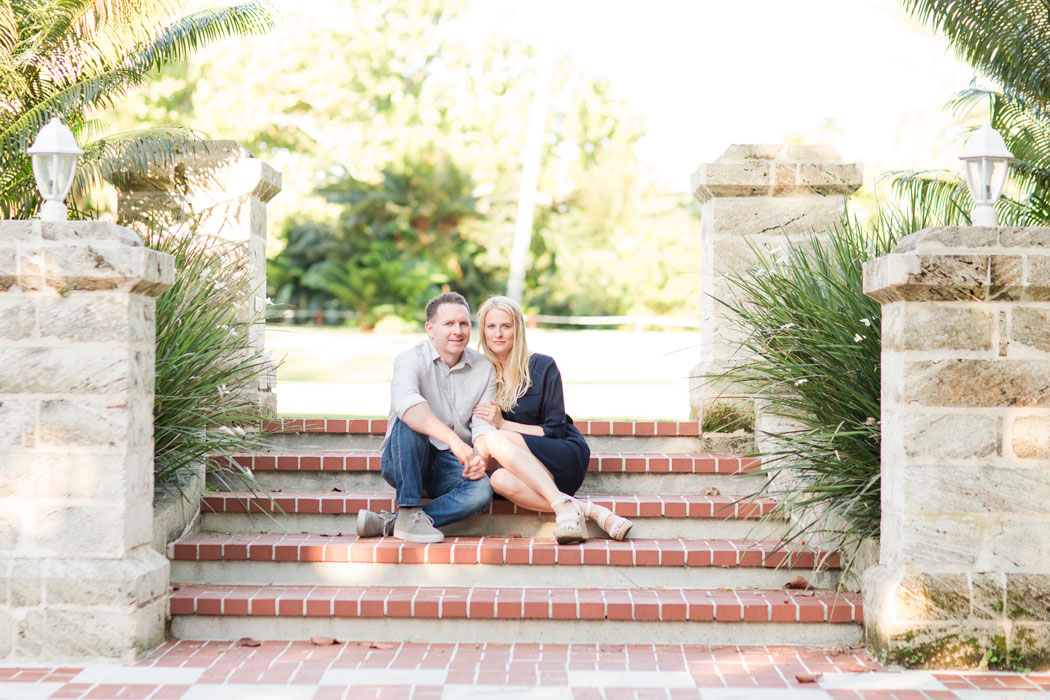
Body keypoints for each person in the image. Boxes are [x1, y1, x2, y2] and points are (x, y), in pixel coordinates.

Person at [472, 296, 633, 544]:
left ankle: (566, 506)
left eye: (506, 326)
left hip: (561, 455)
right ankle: (585, 510)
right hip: (523, 470)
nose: (498, 334)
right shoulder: (482, 373)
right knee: (499, 479)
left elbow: (555, 430)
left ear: (518, 329)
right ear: (483, 330)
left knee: (494, 437)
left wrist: (503, 425)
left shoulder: (542, 366)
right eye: (491, 326)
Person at [356, 292, 496, 543]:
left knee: (481, 491)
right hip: (405, 460)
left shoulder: (484, 368)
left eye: (464, 323)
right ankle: (408, 507)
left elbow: (482, 426)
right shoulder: (410, 359)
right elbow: (407, 405)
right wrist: (454, 440)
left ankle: (393, 522)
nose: (458, 330)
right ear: (430, 329)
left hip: (450, 465)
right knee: (410, 419)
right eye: (449, 324)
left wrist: (479, 459)